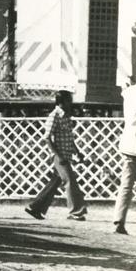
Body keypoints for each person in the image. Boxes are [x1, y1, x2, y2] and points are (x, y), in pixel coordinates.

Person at [25, 90, 86, 221]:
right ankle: (75, 211)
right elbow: (47, 138)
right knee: (69, 181)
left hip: (66, 155)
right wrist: (58, 156)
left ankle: (35, 208)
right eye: (69, 100)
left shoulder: (66, 116)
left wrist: (77, 152)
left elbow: (69, 138)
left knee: (55, 183)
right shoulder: (54, 116)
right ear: (61, 102)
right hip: (60, 156)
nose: (71, 103)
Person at [113, 66, 136, 234]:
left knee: (126, 185)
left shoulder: (129, 92)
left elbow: (123, 91)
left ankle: (118, 221)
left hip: (128, 142)